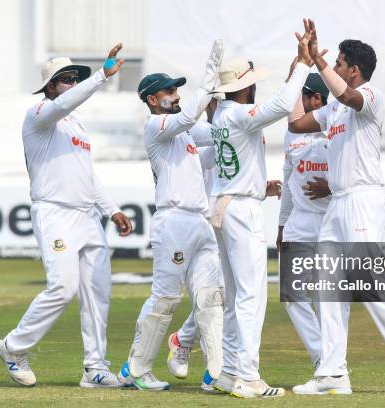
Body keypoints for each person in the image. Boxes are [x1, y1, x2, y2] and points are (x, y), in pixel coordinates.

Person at [289, 19, 385, 395]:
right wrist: (301, 65)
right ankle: (333, 373)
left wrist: (318, 65)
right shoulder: (333, 112)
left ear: (353, 70)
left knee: (366, 283)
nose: (333, 68)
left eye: (338, 64)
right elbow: (295, 124)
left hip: (363, 200)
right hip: (338, 205)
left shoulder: (369, 98)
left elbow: (348, 97)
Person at [0, 44, 134, 388]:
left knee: (97, 292)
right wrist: (101, 75)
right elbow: (62, 105)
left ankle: (95, 368)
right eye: (65, 79)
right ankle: (13, 347)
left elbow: (86, 174)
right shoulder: (39, 115)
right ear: (50, 86)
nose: (72, 83)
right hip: (55, 213)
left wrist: (111, 209)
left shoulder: (76, 127)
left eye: (75, 78)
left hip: (88, 217)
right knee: (62, 287)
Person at [200, 25, 312, 399]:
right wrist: (304, 68)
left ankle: (230, 372)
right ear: (242, 88)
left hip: (228, 202)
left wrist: (299, 62)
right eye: (252, 83)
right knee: (251, 296)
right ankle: (247, 376)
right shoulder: (237, 114)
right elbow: (281, 106)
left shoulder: (223, 114)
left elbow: (239, 154)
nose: (255, 88)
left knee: (236, 296)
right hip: (240, 210)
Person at [116, 40, 226, 391]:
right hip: (174, 221)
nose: (176, 94)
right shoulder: (156, 127)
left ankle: (217, 372)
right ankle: (136, 368)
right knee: (165, 298)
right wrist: (207, 81)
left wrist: (239, 116)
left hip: (199, 221)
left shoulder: (185, 135)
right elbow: (189, 116)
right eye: (169, 90)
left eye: (178, 89)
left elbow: (219, 138)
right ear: (152, 99)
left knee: (211, 296)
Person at [165, 97, 284, 393]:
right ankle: (241, 372)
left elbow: (229, 164)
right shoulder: (215, 125)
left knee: (228, 293)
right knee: (244, 294)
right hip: (209, 212)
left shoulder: (220, 126)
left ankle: (222, 366)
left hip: (220, 208)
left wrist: (256, 185)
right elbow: (200, 157)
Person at [277, 70, 331, 375]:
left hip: (329, 220)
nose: (294, 103)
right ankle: (323, 357)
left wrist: (331, 187)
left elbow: (359, 173)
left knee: (326, 298)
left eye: (301, 96)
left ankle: (332, 362)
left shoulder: (336, 126)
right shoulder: (292, 132)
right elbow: (288, 180)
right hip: (298, 221)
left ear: (316, 99)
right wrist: (282, 225)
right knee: (293, 294)